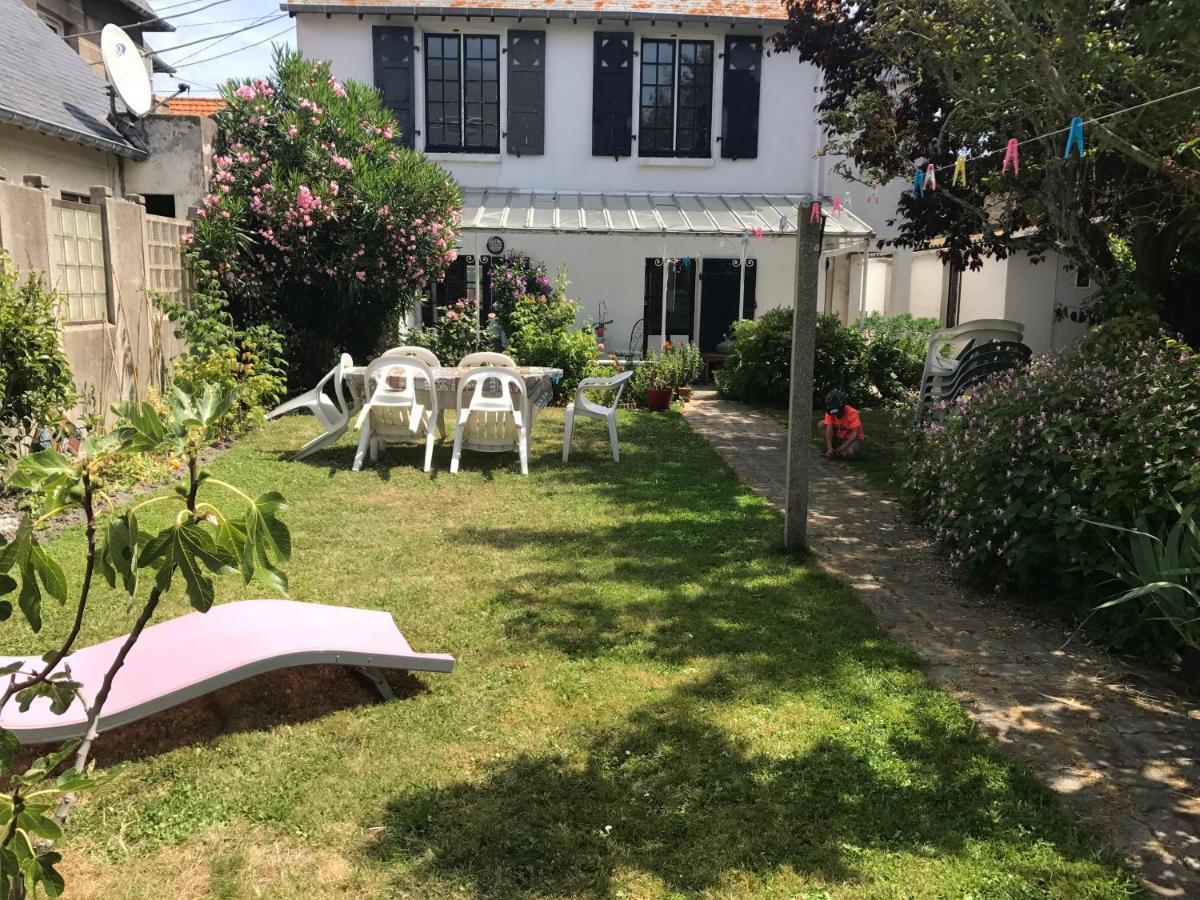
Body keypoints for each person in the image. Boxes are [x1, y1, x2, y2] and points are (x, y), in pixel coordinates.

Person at [821, 390, 864, 458]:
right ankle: (832, 448)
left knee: (845, 454)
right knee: (821, 424)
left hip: (853, 439)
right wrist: (829, 447)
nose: (835, 414)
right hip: (840, 436)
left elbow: (854, 433)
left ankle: (841, 450)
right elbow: (829, 430)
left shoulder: (852, 412)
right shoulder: (830, 412)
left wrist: (844, 446)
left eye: (837, 412)